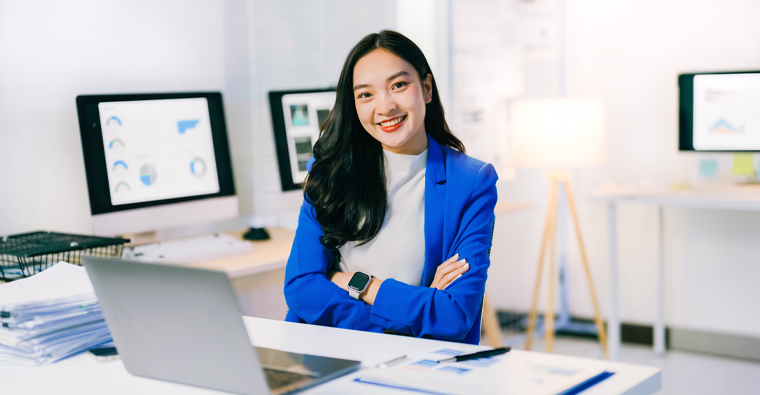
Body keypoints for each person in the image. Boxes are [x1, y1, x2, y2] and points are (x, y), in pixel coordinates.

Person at [283, 30, 498, 344]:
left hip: (418, 367)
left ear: (426, 88)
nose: (384, 107)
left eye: (398, 85)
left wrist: (358, 284)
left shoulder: (472, 182)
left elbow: (453, 315)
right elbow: (302, 287)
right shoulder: (329, 173)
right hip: (326, 352)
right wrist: (414, 308)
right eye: (366, 95)